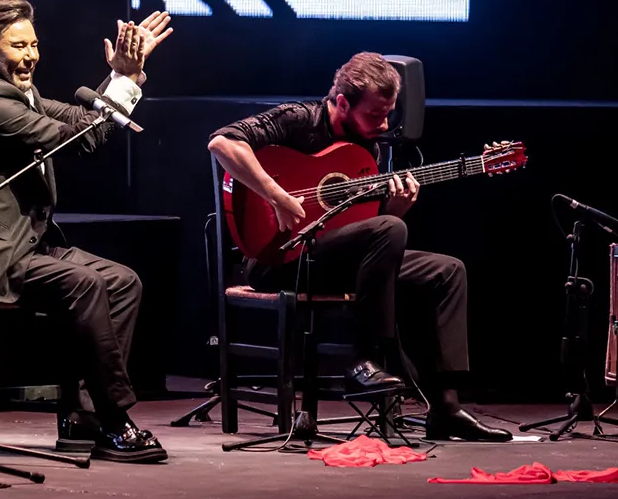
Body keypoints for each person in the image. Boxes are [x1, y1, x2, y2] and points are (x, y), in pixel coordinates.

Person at [206, 51, 511, 442]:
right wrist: (278, 196)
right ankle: (364, 358)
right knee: (388, 230)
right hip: (280, 258)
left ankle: (445, 408)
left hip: (338, 259)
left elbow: (368, 227)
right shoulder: (300, 119)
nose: (384, 124)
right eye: (374, 115)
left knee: (446, 270)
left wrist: (395, 209)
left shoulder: (372, 146)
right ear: (343, 102)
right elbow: (221, 143)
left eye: (389, 113)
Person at [0, 0, 173, 463]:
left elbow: (81, 119)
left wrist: (124, 74)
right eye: (17, 46)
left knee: (123, 281)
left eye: (34, 44)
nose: (30, 56)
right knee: (84, 283)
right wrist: (122, 81)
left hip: (30, 247)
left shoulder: (19, 95)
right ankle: (115, 421)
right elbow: (82, 138)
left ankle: (83, 415)